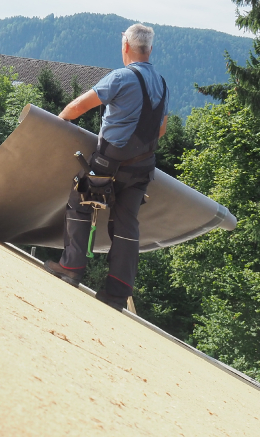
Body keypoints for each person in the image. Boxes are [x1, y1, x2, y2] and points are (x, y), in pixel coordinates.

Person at [43, 23, 169, 311]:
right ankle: (115, 294)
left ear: (125, 46)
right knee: (126, 224)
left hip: (109, 162)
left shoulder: (121, 78)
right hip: (142, 168)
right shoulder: (162, 83)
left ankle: (71, 269)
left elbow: (78, 107)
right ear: (149, 50)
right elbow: (160, 130)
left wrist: (56, 126)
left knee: (80, 201)